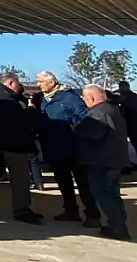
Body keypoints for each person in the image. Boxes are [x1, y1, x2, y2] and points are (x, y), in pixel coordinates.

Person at [34, 71, 101, 226]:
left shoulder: (69, 98)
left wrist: (74, 131)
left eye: (40, 81)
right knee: (63, 182)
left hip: (73, 148)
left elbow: (85, 117)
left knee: (83, 183)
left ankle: (93, 214)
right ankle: (71, 210)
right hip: (54, 148)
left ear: (52, 82)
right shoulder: (41, 100)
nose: (38, 85)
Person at [75, 85, 131, 241]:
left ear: (91, 98)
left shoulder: (97, 113)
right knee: (113, 193)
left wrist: (76, 129)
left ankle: (117, 226)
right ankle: (119, 223)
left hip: (101, 160)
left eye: (84, 98)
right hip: (114, 159)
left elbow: (93, 133)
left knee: (102, 193)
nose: (84, 101)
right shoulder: (112, 109)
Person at [0, 73, 43, 224]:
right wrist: (30, 111)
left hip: (11, 143)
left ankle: (24, 207)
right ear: (11, 83)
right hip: (13, 144)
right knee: (20, 179)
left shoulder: (2, 96)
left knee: (22, 179)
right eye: (18, 83)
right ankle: (21, 211)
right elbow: (15, 121)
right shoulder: (3, 99)